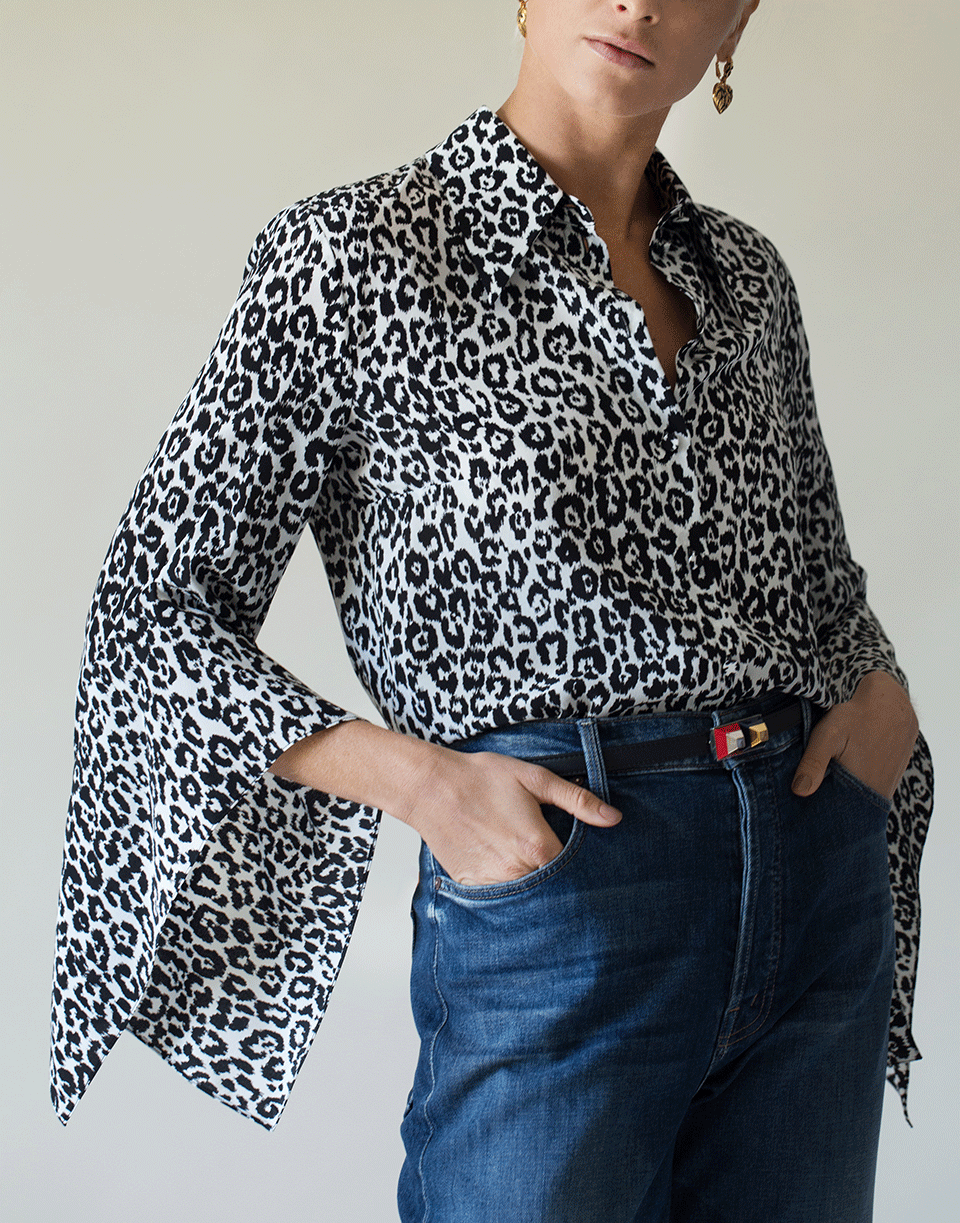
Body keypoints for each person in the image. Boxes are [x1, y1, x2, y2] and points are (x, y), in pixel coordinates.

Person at [51, 1, 933, 1219]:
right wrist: (425, 784)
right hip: (567, 889)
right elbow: (151, 610)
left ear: (736, 22)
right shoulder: (354, 256)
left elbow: (819, 585)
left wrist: (882, 700)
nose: (638, 2)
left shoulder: (747, 280)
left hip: (812, 874)